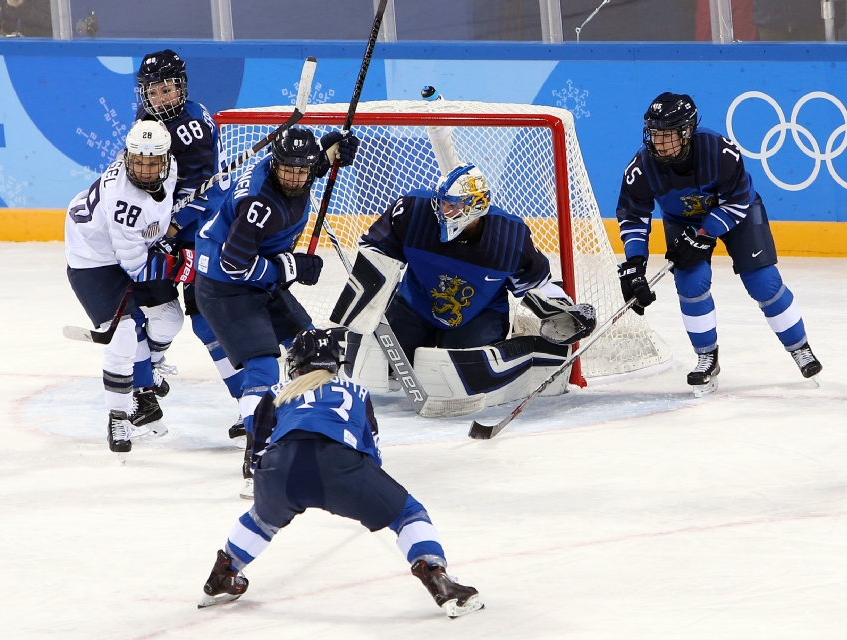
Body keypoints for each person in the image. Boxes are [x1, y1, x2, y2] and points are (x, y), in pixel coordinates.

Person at [197, 328, 484, 619]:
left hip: (280, 469)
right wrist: (371, 498)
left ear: (296, 361)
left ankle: (223, 574)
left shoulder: (277, 392)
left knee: (259, 519)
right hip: (339, 467)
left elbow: (257, 455)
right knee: (409, 513)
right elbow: (374, 457)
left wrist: (271, 501)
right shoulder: (357, 392)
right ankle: (437, 578)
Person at [616, 92, 822, 395]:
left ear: (687, 132)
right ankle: (706, 357)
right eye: (655, 134)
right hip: (682, 221)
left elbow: (738, 201)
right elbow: (633, 216)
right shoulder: (641, 167)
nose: (659, 143)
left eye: (668, 135)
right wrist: (635, 263)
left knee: (763, 281)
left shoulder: (720, 152)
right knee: (691, 283)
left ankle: (799, 347)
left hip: (736, 215)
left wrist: (703, 235)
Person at [194, 126, 359, 496]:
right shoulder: (260, 204)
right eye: (288, 170)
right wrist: (292, 267)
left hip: (259, 281)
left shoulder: (294, 168)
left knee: (316, 349)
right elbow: (234, 264)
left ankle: (323, 438)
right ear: (274, 164)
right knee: (263, 368)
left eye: (303, 170)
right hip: (226, 288)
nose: (295, 177)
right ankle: (259, 461)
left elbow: (311, 162)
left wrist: (333, 146)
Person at [331, 163, 596, 367]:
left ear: (476, 207)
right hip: (415, 305)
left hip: (478, 315)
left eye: (452, 205)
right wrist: (364, 309)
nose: (442, 210)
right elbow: (375, 252)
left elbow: (534, 285)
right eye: (442, 202)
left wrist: (565, 310)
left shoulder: (509, 236)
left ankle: (512, 340)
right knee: (371, 360)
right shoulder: (414, 211)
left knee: (459, 367)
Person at [134, 49, 246, 438]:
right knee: (157, 312)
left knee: (207, 321)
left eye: (168, 89)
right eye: (154, 91)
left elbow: (211, 192)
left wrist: (175, 225)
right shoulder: (147, 121)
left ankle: (249, 401)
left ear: (181, 88)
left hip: (201, 233)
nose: (161, 98)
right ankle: (145, 384)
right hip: (160, 233)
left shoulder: (191, 126)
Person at [65, 120, 192, 452]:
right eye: (138, 162)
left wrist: (162, 236)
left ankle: (149, 364)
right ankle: (120, 416)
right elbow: (136, 269)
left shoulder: (171, 167)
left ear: (164, 159)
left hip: (129, 246)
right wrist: (181, 266)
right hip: (93, 259)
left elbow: (156, 216)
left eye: (153, 163)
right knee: (123, 337)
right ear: (127, 157)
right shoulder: (123, 202)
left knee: (169, 319)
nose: (146, 170)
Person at [752, 0, 844, 41]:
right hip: (770, 21)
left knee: (816, 74)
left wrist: (837, 9)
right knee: (774, 74)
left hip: (815, 21)